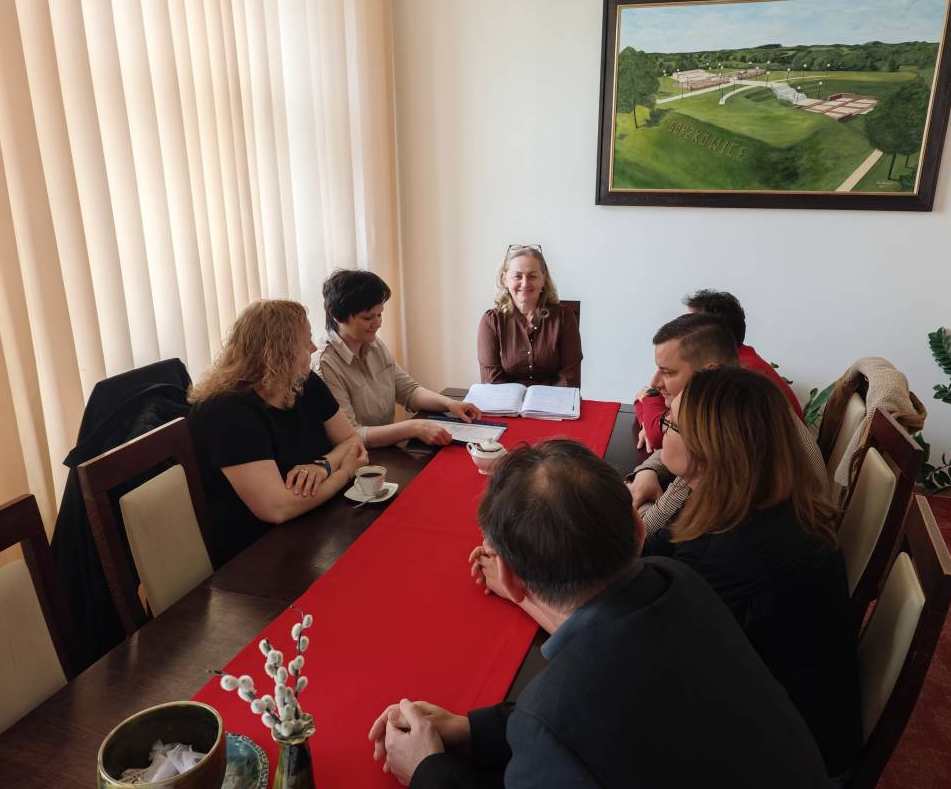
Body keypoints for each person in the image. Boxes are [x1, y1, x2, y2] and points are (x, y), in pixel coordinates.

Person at [368, 440, 829, 789]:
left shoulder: (556, 716)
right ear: (638, 529)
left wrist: (426, 769)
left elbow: (570, 723)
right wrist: (470, 729)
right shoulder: (679, 582)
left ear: (509, 579)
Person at [648, 367, 861, 780]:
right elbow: (656, 549)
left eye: (669, 424)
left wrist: (535, 594)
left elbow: (649, 651)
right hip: (773, 709)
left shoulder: (735, 549)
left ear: (705, 450)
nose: (661, 434)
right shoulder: (745, 497)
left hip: (788, 761)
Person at [188, 300, 369, 562]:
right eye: (305, 342)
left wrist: (323, 466)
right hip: (254, 553)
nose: (313, 348)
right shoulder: (225, 411)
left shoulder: (303, 382)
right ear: (278, 352)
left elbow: (350, 439)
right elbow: (277, 508)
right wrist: (345, 472)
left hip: (312, 523)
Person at [627, 314, 828, 513]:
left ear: (709, 372)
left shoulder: (731, 433)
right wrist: (649, 471)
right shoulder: (744, 405)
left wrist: (636, 491)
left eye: (668, 372)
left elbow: (646, 526)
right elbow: (675, 444)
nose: (654, 382)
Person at [316, 269, 482, 447]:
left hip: (388, 449)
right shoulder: (325, 365)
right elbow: (352, 435)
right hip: (360, 458)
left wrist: (450, 404)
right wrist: (413, 427)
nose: (378, 323)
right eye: (367, 317)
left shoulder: (374, 344)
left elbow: (409, 391)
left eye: (380, 314)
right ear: (337, 316)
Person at [634, 290, 802, 453]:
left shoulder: (737, 382)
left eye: (691, 323)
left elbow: (659, 435)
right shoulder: (740, 361)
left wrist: (648, 399)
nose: (682, 327)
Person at [477, 245, 581, 387]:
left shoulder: (564, 318)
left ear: (543, 279)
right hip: (506, 400)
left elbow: (569, 378)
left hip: (554, 399)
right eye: (517, 276)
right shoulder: (491, 321)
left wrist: (543, 400)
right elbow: (492, 381)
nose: (525, 283)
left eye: (532, 276)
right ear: (505, 280)